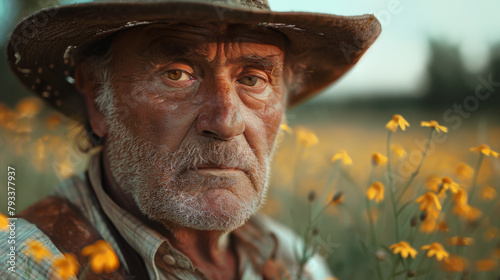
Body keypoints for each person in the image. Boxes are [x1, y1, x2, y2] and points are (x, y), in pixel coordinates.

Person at [1, 0, 380, 279]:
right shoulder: (24, 263)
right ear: (97, 98)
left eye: (252, 79)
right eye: (178, 74)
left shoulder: (298, 262)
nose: (226, 121)